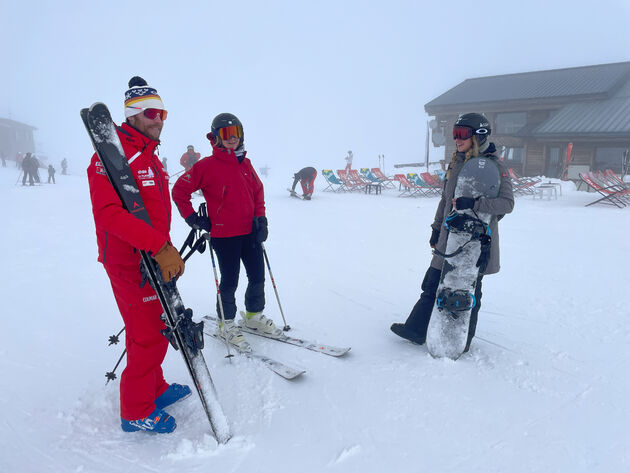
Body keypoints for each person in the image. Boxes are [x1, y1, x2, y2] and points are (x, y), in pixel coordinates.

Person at [87, 76, 189, 434]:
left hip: (151, 256)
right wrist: (158, 247)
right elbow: (110, 215)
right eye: (150, 113)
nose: (158, 119)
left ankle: (154, 387)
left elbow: (151, 213)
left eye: (162, 112)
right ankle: (136, 410)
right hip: (128, 262)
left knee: (153, 329)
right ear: (131, 116)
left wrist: (165, 248)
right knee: (146, 334)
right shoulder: (111, 158)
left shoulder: (150, 157)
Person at [390, 113, 514, 353]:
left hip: (476, 241)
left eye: (462, 134)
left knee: (468, 289)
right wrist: (436, 229)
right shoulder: (457, 162)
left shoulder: (495, 167)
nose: (456, 139)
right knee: (432, 281)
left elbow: (507, 204)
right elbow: (445, 200)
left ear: (478, 136)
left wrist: (475, 203)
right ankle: (416, 329)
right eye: (454, 133)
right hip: (449, 234)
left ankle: (461, 340)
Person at [172, 113, 277, 352]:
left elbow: (257, 193)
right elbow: (179, 191)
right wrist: (193, 219)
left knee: (257, 277)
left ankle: (252, 317)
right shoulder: (206, 166)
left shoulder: (246, 164)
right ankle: (226, 324)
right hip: (224, 235)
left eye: (236, 133)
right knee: (230, 281)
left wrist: (261, 220)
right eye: (227, 135)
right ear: (216, 138)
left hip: (250, 233)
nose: (233, 139)